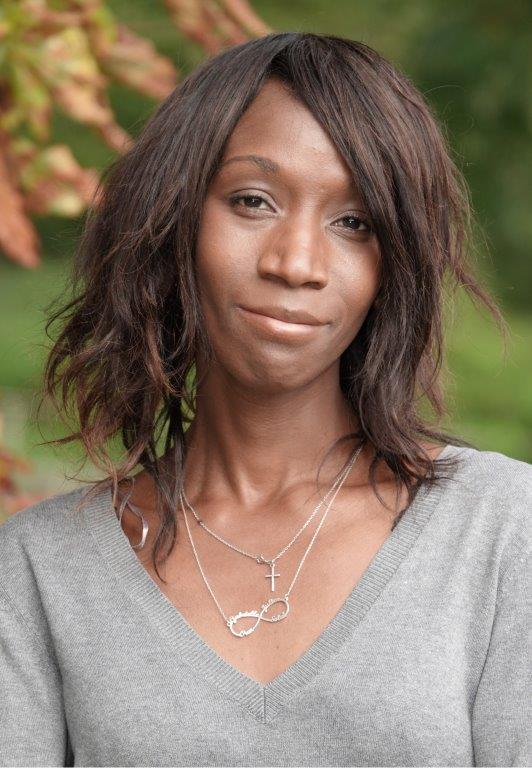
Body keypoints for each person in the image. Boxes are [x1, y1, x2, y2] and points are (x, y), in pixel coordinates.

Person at [0, 31, 530, 767]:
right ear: (174, 219)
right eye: (253, 201)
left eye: (354, 223)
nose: (296, 263)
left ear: (393, 264)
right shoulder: (39, 570)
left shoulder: (502, 530)